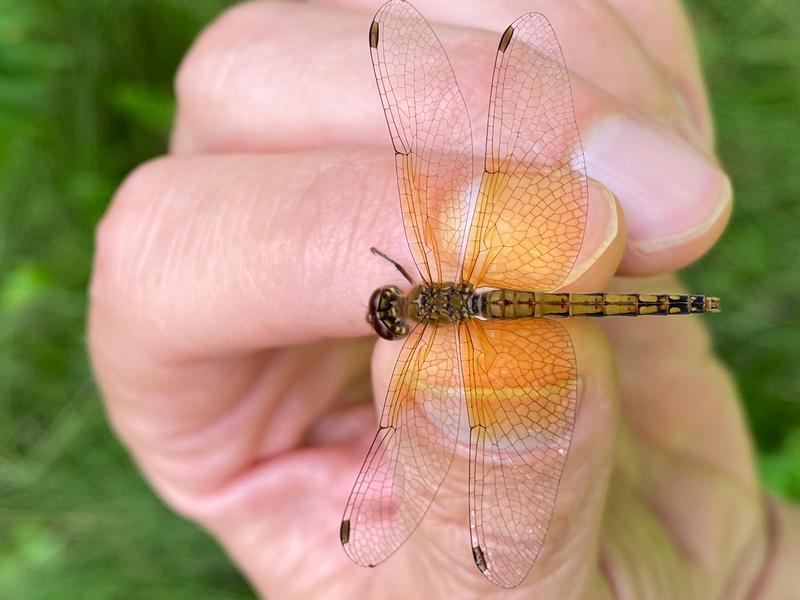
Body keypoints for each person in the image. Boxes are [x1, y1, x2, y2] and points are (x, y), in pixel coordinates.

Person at [88, 1, 798, 597]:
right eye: (391, 315)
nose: (391, 313)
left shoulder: (433, 315)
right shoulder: (434, 279)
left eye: (389, 309)